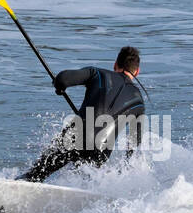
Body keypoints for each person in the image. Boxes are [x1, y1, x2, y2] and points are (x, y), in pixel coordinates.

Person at [20, 46, 146, 182]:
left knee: (35, 175)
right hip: (101, 151)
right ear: (137, 71)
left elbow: (62, 79)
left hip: (75, 137)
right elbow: (133, 145)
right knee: (82, 183)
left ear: (115, 65)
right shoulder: (139, 103)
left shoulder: (97, 73)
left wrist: (59, 86)